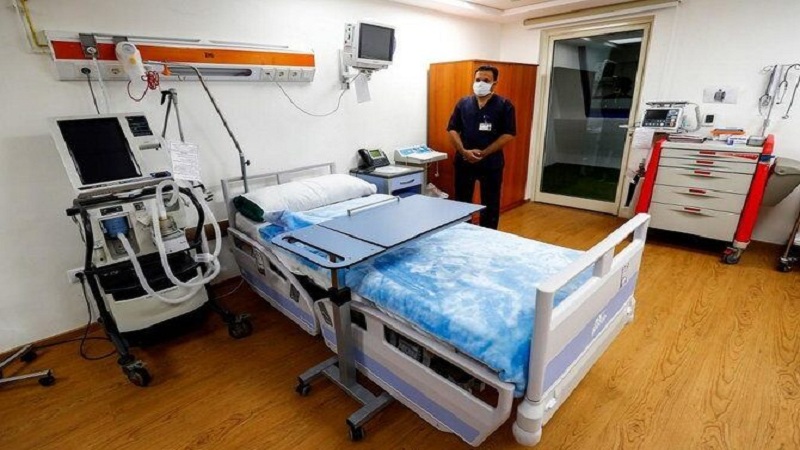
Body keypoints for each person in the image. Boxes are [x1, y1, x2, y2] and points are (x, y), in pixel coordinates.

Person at [447, 65, 516, 230]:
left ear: (494, 83)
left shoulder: (504, 105)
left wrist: (484, 153)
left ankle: (488, 236)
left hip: (491, 163)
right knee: (462, 202)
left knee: (490, 203)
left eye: (486, 80)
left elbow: (508, 134)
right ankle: (462, 233)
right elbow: (452, 129)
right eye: (478, 80)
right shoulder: (463, 103)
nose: (480, 83)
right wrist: (464, 152)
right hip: (464, 162)